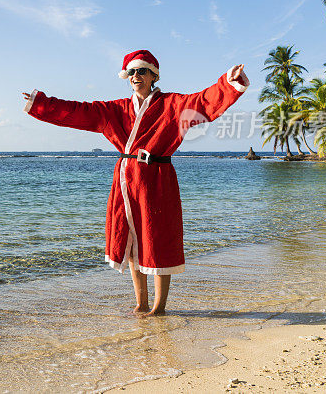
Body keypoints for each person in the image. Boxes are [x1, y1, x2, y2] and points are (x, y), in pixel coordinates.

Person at [22, 50, 249, 316]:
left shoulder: (173, 104)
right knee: (131, 244)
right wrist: (42, 103)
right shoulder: (115, 109)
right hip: (126, 180)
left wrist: (228, 82)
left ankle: (159, 307)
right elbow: (77, 111)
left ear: (154, 74)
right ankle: (141, 302)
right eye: (131, 72)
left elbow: (204, 102)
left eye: (141, 71)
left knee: (158, 241)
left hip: (158, 180)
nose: (135, 76)